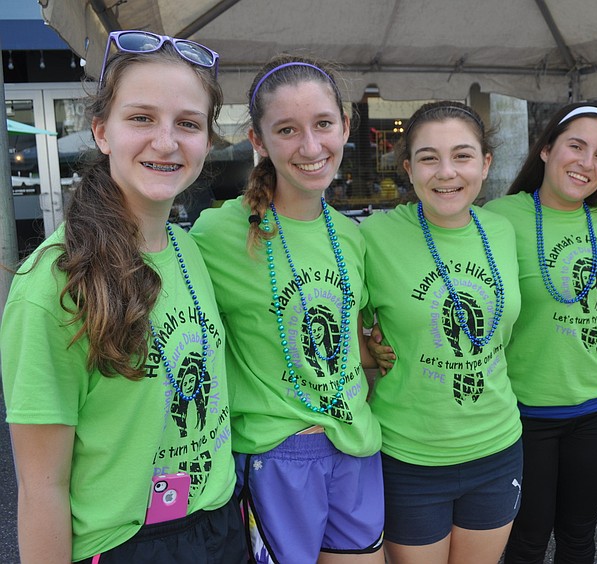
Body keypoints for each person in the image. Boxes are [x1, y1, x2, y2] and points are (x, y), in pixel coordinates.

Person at [1, 30, 246, 563]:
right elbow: (41, 488)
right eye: (141, 118)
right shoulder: (53, 285)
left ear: (208, 139)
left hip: (220, 524)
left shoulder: (190, 249)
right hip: (125, 546)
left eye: (188, 123)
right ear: (101, 131)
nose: (166, 141)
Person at [190, 55, 384, 564]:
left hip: (357, 447)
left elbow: (351, 341)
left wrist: (376, 354)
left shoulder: (351, 236)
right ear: (258, 141)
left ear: (345, 126)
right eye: (287, 130)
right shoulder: (216, 233)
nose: (312, 147)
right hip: (272, 459)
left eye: (323, 125)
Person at [362, 101, 523, 564]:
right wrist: (368, 351)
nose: (446, 172)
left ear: (485, 163)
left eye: (463, 155)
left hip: (496, 447)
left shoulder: (500, 230)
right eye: (429, 158)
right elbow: (337, 308)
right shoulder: (373, 236)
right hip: (411, 456)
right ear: (409, 168)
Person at [483, 102, 597, 564]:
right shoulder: (498, 217)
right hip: (526, 415)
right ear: (546, 149)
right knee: (526, 542)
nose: (587, 163)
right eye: (576, 146)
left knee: (579, 537)